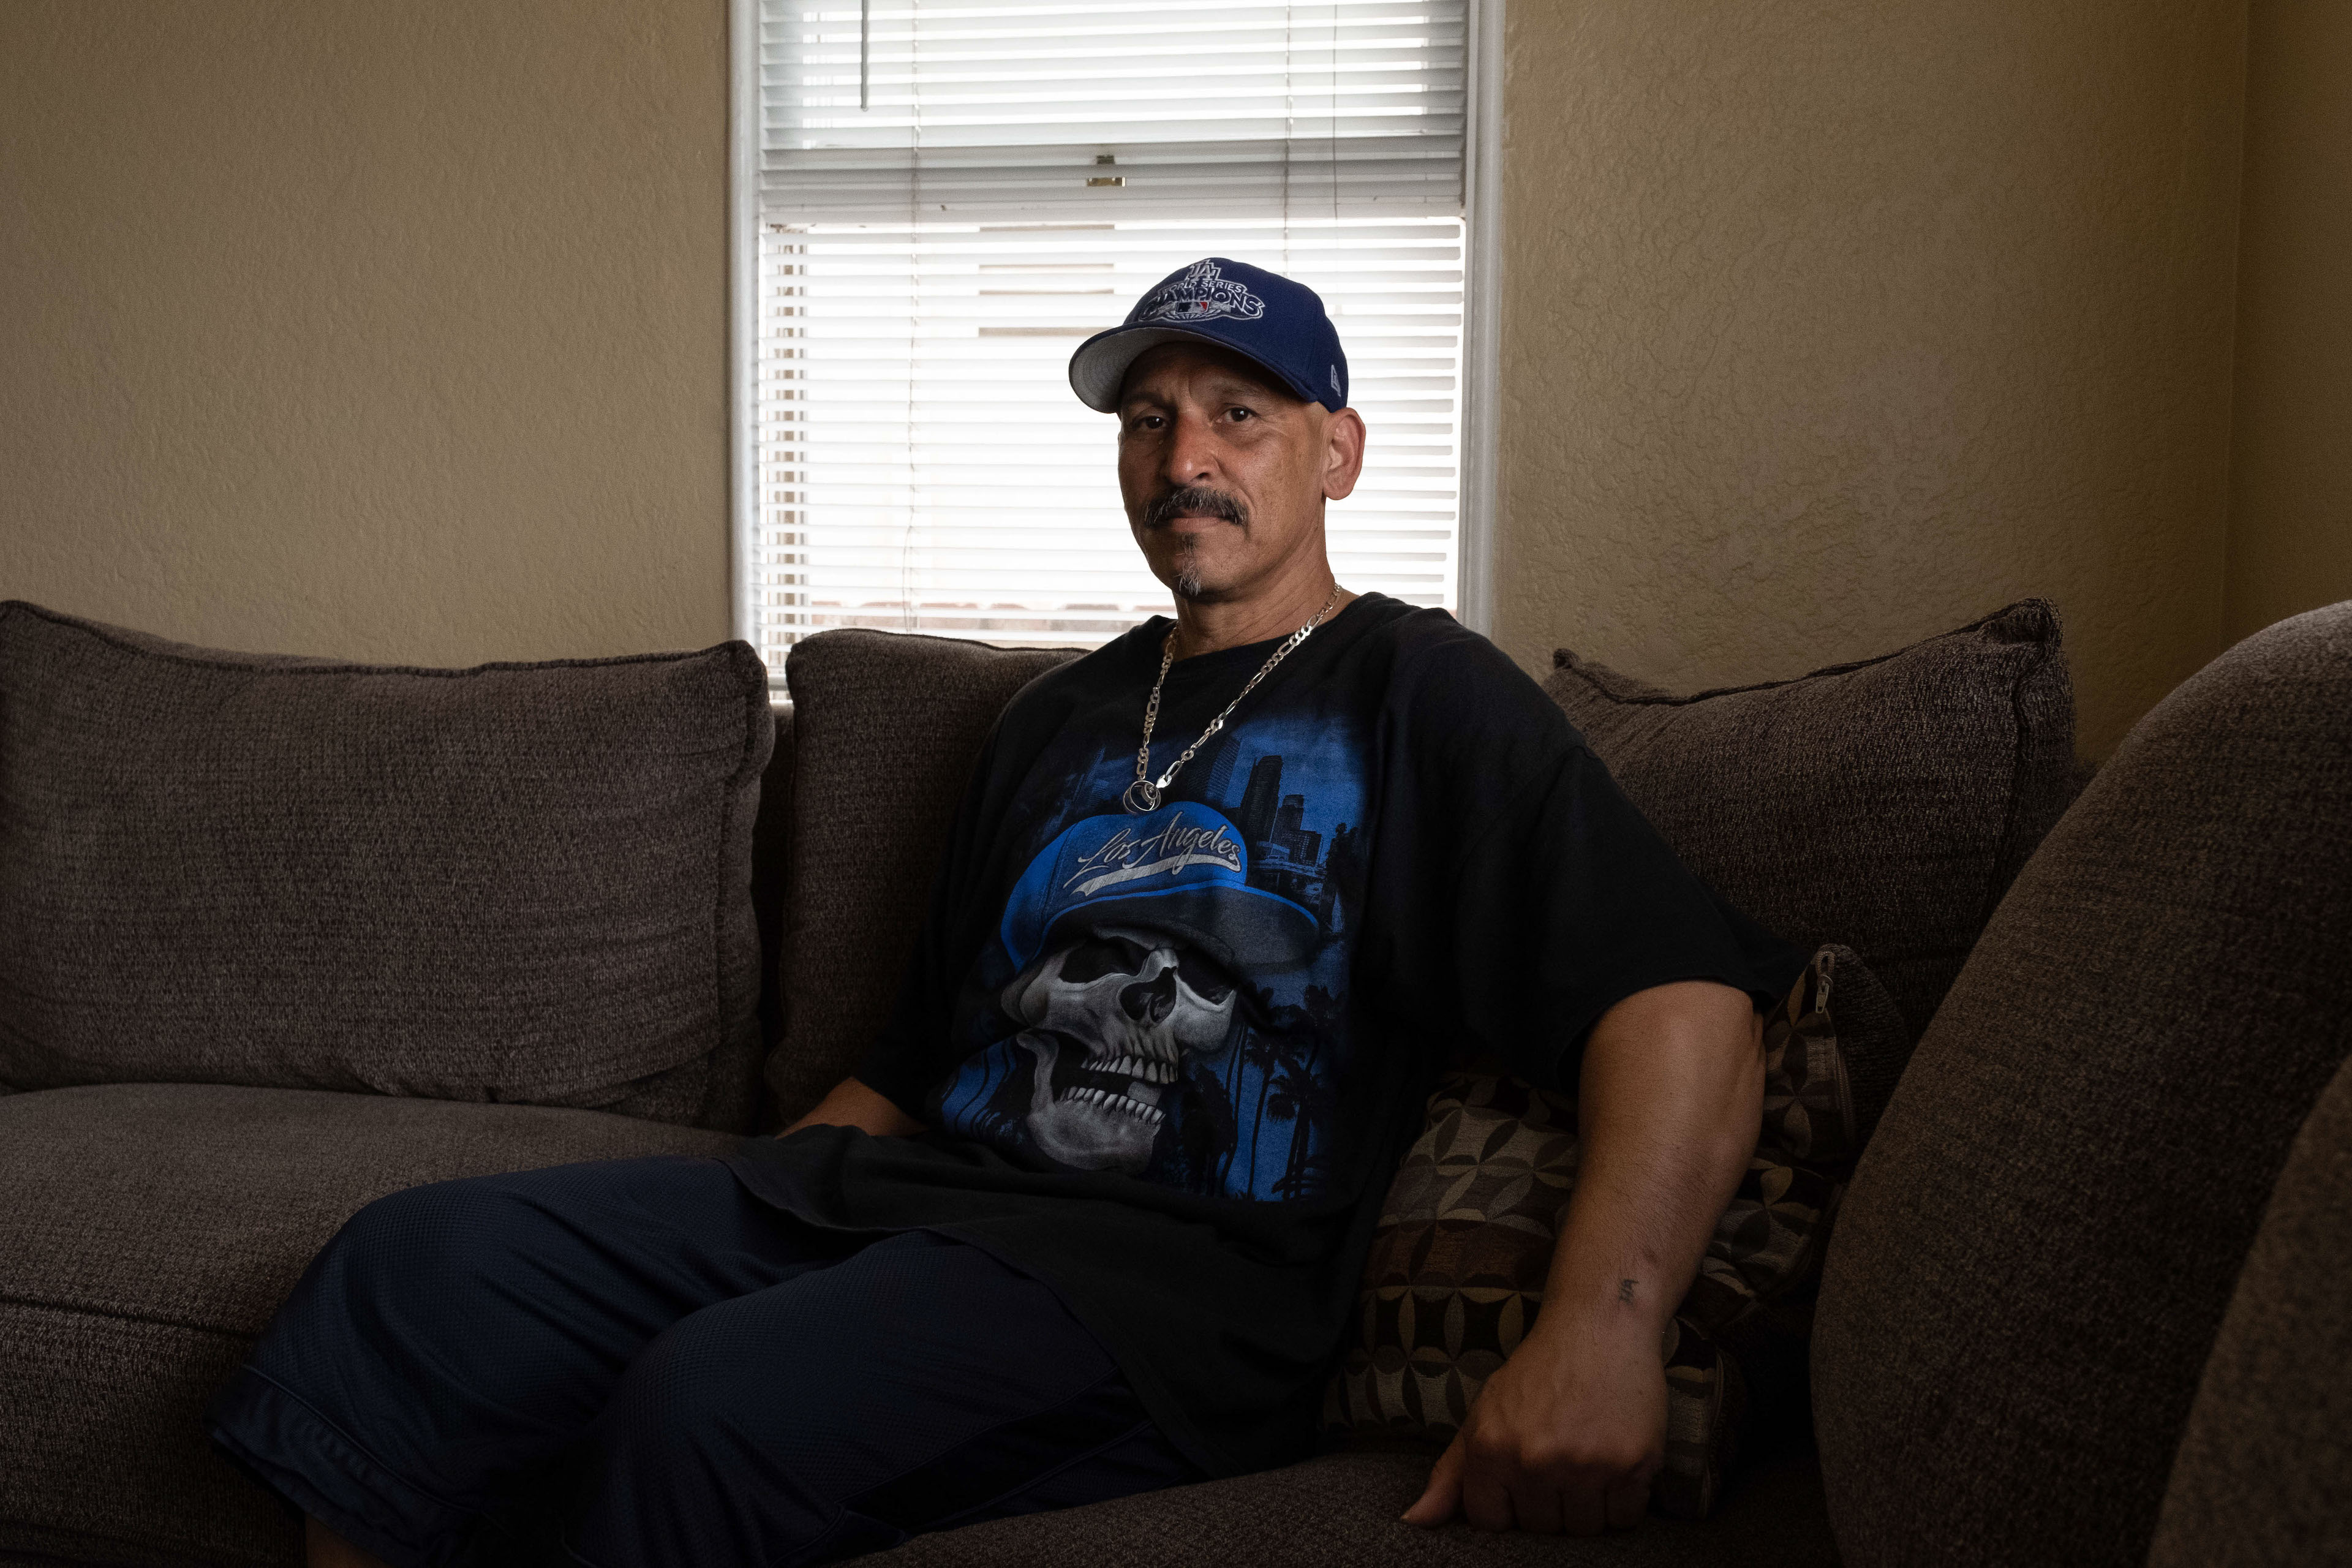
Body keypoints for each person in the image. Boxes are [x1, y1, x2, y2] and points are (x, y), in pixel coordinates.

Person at [207, 257, 1798, 1567]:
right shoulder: (1056, 718)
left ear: (1341, 451)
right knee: (409, 1272)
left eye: (1240, 416)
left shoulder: (1420, 691)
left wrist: (1606, 1328)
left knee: (715, 1406)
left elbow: (1681, 1003)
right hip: (896, 1204)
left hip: (1169, 1290)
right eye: (1152, 423)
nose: (1186, 462)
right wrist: (713, 1242)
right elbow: (907, 1066)